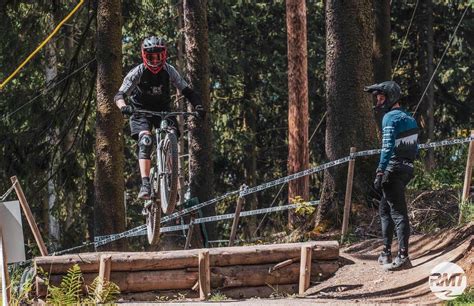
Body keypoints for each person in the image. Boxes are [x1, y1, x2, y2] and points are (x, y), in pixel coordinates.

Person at [115, 36, 204, 200]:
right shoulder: (138, 71)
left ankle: (171, 182)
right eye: (151, 56)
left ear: (164, 55)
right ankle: (145, 183)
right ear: (144, 55)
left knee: (172, 137)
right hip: (141, 112)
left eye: (158, 56)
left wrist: (198, 106)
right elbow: (119, 94)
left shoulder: (169, 70)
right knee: (146, 141)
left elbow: (187, 91)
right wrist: (123, 107)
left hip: (163, 110)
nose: (155, 60)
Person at [364, 81, 419, 271]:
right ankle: (386, 252)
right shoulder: (410, 118)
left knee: (397, 212)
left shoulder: (389, 118)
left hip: (392, 170)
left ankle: (403, 257)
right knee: (384, 209)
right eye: (377, 98)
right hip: (407, 169)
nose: (378, 101)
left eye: (381, 98)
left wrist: (380, 170)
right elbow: (415, 149)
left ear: (391, 98)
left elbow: (387, 147)